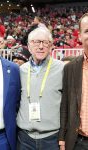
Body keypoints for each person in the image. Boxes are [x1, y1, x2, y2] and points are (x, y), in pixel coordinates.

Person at [17, 27, 64, 150]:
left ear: (51, 45)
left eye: (45, 42)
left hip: (51, 138)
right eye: (36, 42)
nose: (41, 46)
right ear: (29, 45)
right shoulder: (21, 70)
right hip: (24, 138)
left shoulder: (62, 69)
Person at [59, 13, 88, 150]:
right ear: (80, 36)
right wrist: (62, 138)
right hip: (78, 143)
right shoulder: (70, 68)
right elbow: (65, 105)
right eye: (87, 31)